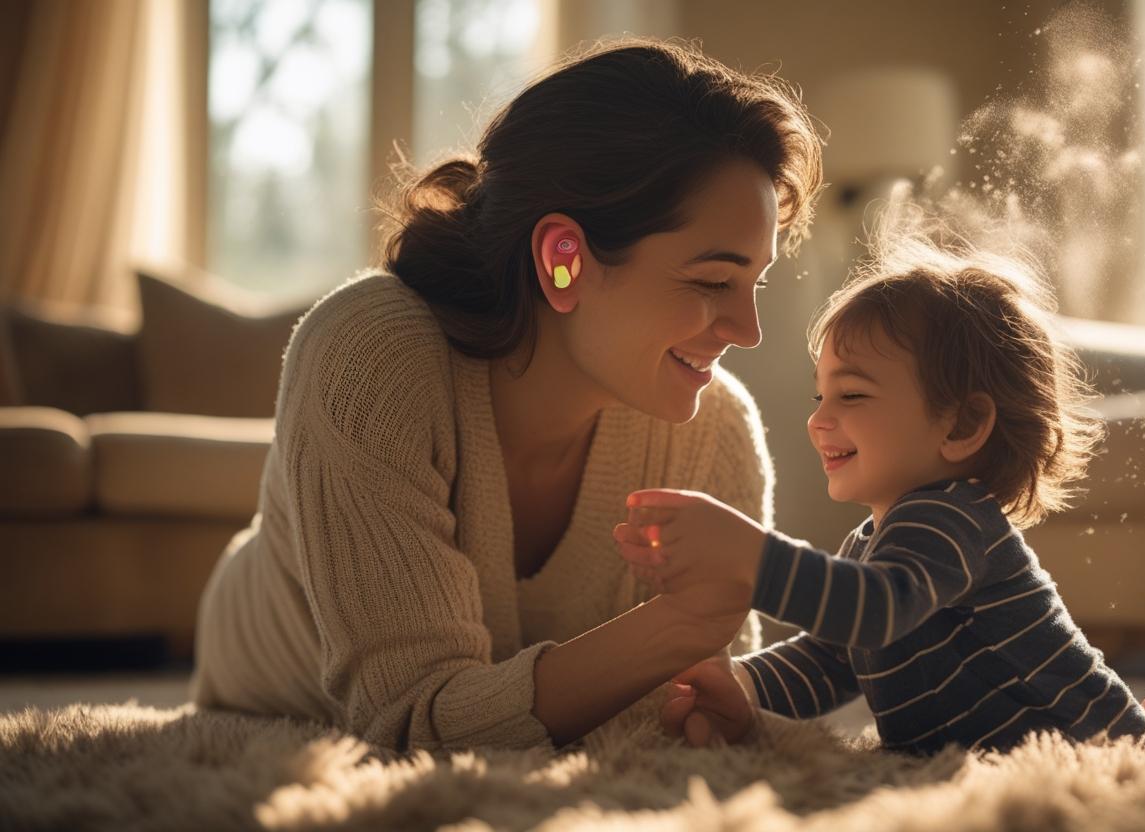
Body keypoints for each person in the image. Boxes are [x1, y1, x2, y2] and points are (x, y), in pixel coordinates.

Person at [186, 36, 826, 752]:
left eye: (754, 284)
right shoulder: (369, 356)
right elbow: (407, 721)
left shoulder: (716, 425)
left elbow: (697, 709)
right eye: (712, 282)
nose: (748, 330)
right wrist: (677, 626)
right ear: (563, 261)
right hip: (263, 669)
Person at [614, 204, 1145, 754]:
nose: (819, 421)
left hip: (1086, 742)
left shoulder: (954, 519)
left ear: (961, 424)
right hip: (970, 764)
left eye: (851, 395)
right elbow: (834, 656)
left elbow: (875, 611)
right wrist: (743, 683)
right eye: (820, 396)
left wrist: (749, 556)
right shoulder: (872, 543)